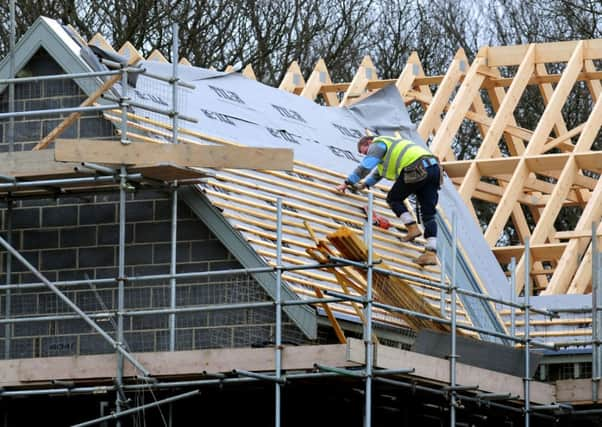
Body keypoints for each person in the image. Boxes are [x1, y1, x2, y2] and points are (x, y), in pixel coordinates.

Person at [335, 135, 441, 266]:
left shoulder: (378, 143)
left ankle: (412, 228)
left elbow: (365, 167)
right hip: (434, 168)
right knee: (429, 215)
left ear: (369, 142)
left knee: (393, 199)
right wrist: (364, 185)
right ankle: (431, 253)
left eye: (365, 151)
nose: (366, 155)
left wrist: (347, 182)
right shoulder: (391, 149)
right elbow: (378, 173)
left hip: (416, 167)